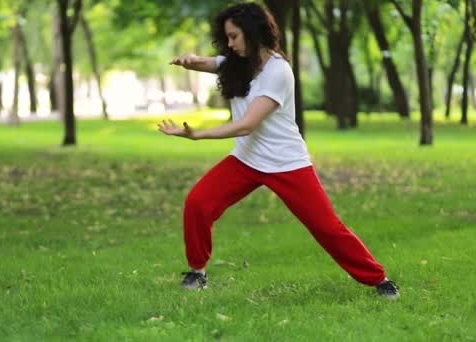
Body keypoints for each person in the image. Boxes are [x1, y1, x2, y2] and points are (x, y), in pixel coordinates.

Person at [159, 2, 399, 299]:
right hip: (247, 160)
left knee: (327, 227)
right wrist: (190, 60)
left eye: (234, 36)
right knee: (198, 203)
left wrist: (198, 135)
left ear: (252, 32)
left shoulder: (278, 72)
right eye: (228, 37)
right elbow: (211, 62)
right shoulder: (239, 61)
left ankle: (379, 279)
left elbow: (247, 125)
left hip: (287, 163)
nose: (230, 44)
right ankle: (197, 272)